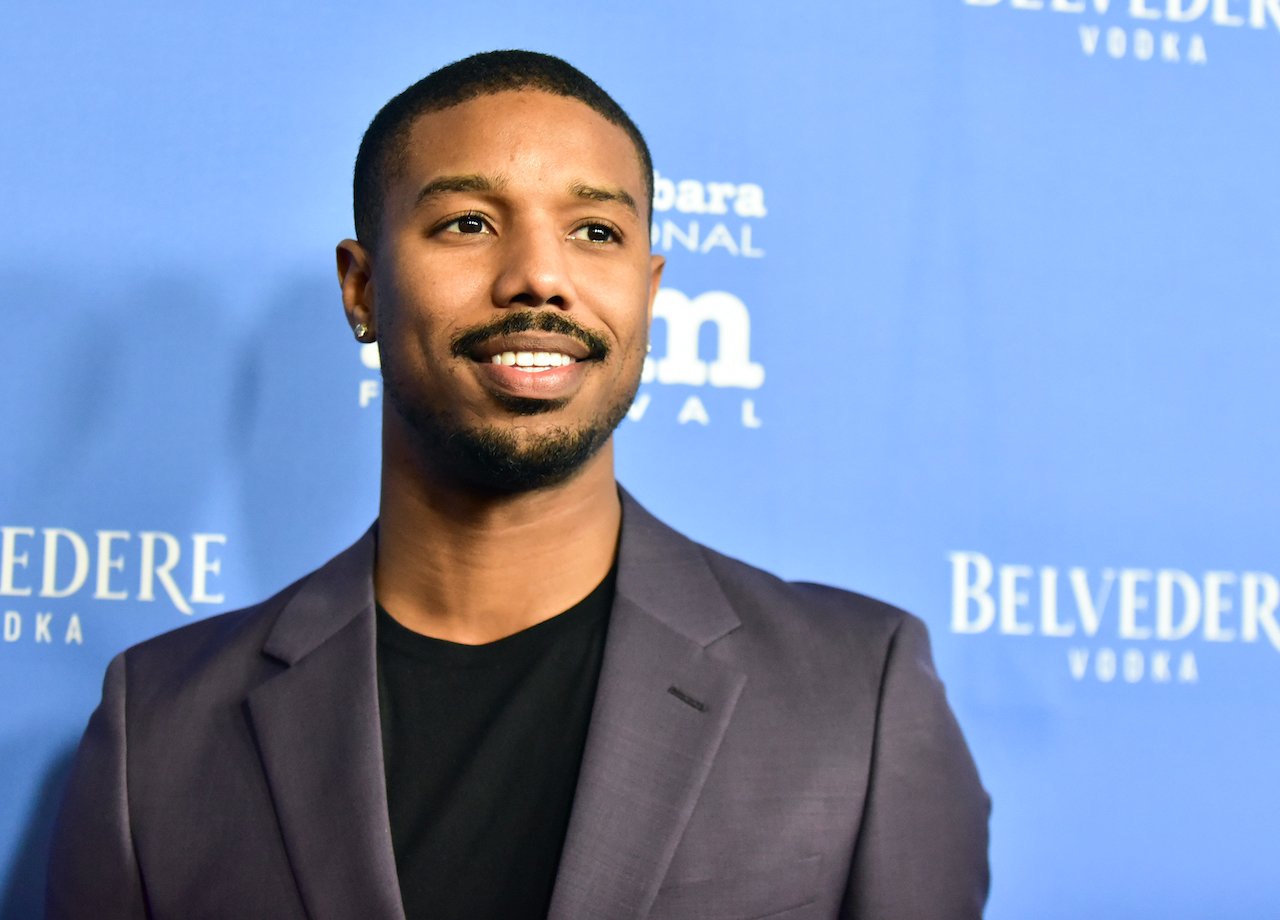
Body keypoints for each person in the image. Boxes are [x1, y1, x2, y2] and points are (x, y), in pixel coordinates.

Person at [46, 50, 990, 920]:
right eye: (468, 223)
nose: (540, 276)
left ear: (650, 290)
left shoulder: (856, 697)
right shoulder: (159, 731)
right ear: (362, 288)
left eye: (594, 230)